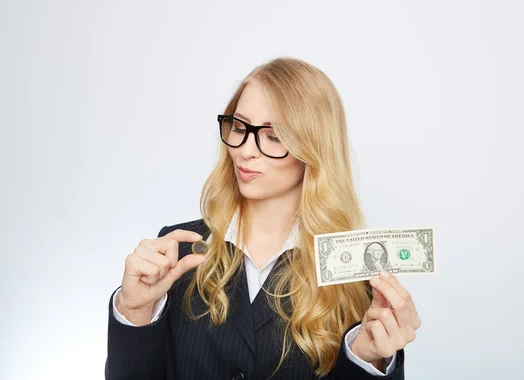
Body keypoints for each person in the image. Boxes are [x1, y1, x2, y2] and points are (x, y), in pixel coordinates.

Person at [105, 57, 421, 379]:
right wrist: (134, 312)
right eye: (240, 127)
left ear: (313, 149)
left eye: (273, 136)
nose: (245, 150)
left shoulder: (352, 278)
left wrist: (367, 360)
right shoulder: (176, 254)